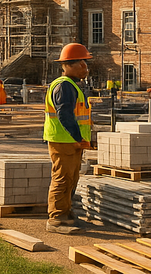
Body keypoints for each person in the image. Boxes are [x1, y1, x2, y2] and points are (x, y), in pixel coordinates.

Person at [44, 43, 93, 235]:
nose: (86, 69)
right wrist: (78, 137)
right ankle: (56, 218)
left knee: (71, 178)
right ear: (72, 64)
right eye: (83, 64)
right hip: (64, 140)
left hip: (70, 141)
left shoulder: (71, 85)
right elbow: (64, 114)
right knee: (62, 179)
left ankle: (66, 213)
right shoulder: (64, 86)